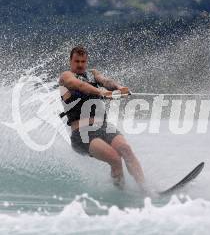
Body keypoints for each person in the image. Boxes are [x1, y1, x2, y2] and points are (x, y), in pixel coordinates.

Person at [59, 46, 146, 191]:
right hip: (82, 134)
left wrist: (119, 88)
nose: (80, 64)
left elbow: (106, 81)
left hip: (104, 127)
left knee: (126, 149)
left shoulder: (93, 74)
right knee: (114, 159)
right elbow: (80, 85)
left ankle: (146, 190)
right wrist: (103, 93)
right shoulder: (66, 76)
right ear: (70, 61)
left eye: (83, 61)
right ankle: (120, 195)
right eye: (76, 61)